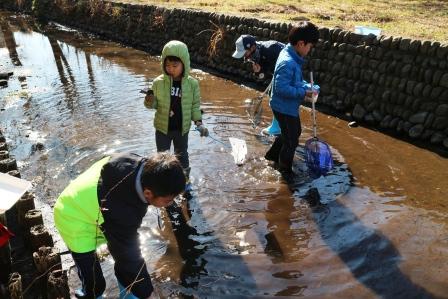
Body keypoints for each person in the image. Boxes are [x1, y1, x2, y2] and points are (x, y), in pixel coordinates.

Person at [54, 152, 186, 299]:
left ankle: (127, 293)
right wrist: (148, 293)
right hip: (71, 216)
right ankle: (89, 294)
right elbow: (128, 256)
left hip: (97, 206)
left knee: (126, 268)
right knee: (94, 281)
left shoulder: (145, 169)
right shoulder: (122, 210)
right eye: (168, 200)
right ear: (148, 193)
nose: (171, 203)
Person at [144, 40, 208, 199]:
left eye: (175, 66)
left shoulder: (192, 84)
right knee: (162, 158)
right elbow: (153, 106)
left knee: (182, 156)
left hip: (181, 129)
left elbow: (194, 105)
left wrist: (199, 124)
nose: (171, 69)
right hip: (162, 129)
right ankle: (162, 184)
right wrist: (149, 100)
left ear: (184, 64)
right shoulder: (158, 82)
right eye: (168, 66)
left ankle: (184, 180)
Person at [264, 21, 320, 175]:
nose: (310, 49)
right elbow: (281, 88)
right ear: (301, 44)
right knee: (292, 140)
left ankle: (273, 156)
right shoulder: (288, 62)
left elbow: (292, 82)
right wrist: (303, 93)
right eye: (310, 46)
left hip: (285, 105)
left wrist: (306, 86)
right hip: (283, 107)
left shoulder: (290, 54)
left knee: (292, 132)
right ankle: (284, 171)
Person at [232, 35, 285, 135]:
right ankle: (278, 125)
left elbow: (285, 63)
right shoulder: (253, 54)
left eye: (244, 53)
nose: (244, 57)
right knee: (273, 95)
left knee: (277, 97)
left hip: (287, 68)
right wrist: (258, 72)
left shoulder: (270, 50)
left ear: (252, 48)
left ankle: (279, 127)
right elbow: (263, 74)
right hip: (277, 71)